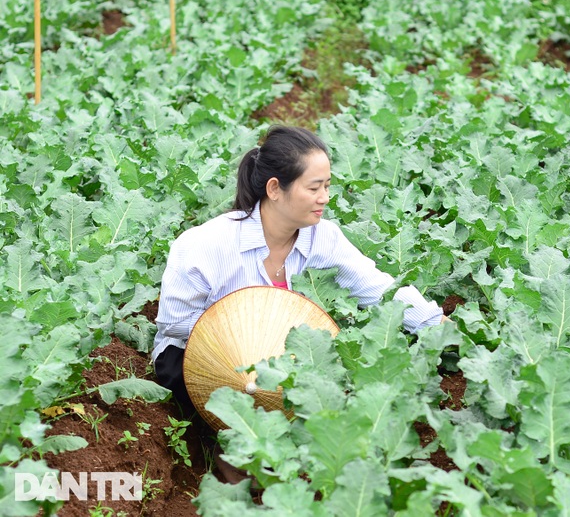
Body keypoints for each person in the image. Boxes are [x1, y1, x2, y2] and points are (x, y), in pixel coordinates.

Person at [152, 125, 446, 419]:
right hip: (204, 356)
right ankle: (217, 446)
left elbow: (380, 290)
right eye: (314, 188)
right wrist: (249, 336)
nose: (325, 198)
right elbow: (173, 323)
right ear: (275, 189)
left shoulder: (323, 238)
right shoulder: (207, 244)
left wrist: (438, 326)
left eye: (327, 186)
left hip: (288, 362)